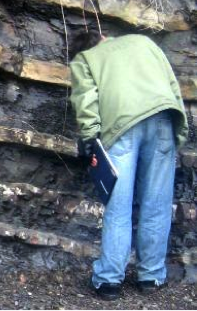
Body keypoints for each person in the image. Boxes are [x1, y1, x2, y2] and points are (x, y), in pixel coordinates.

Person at [69, 30, 188, 301]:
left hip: (121, 127)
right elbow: (172, 85)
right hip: (163, 120)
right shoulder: (144, 42)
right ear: (104, 36)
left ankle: (108, 280)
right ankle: (152, 276)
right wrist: (179, 133)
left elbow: (86, 103)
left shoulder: (83, 60)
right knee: (157, 204)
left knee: (118, 206)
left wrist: (89, 138)